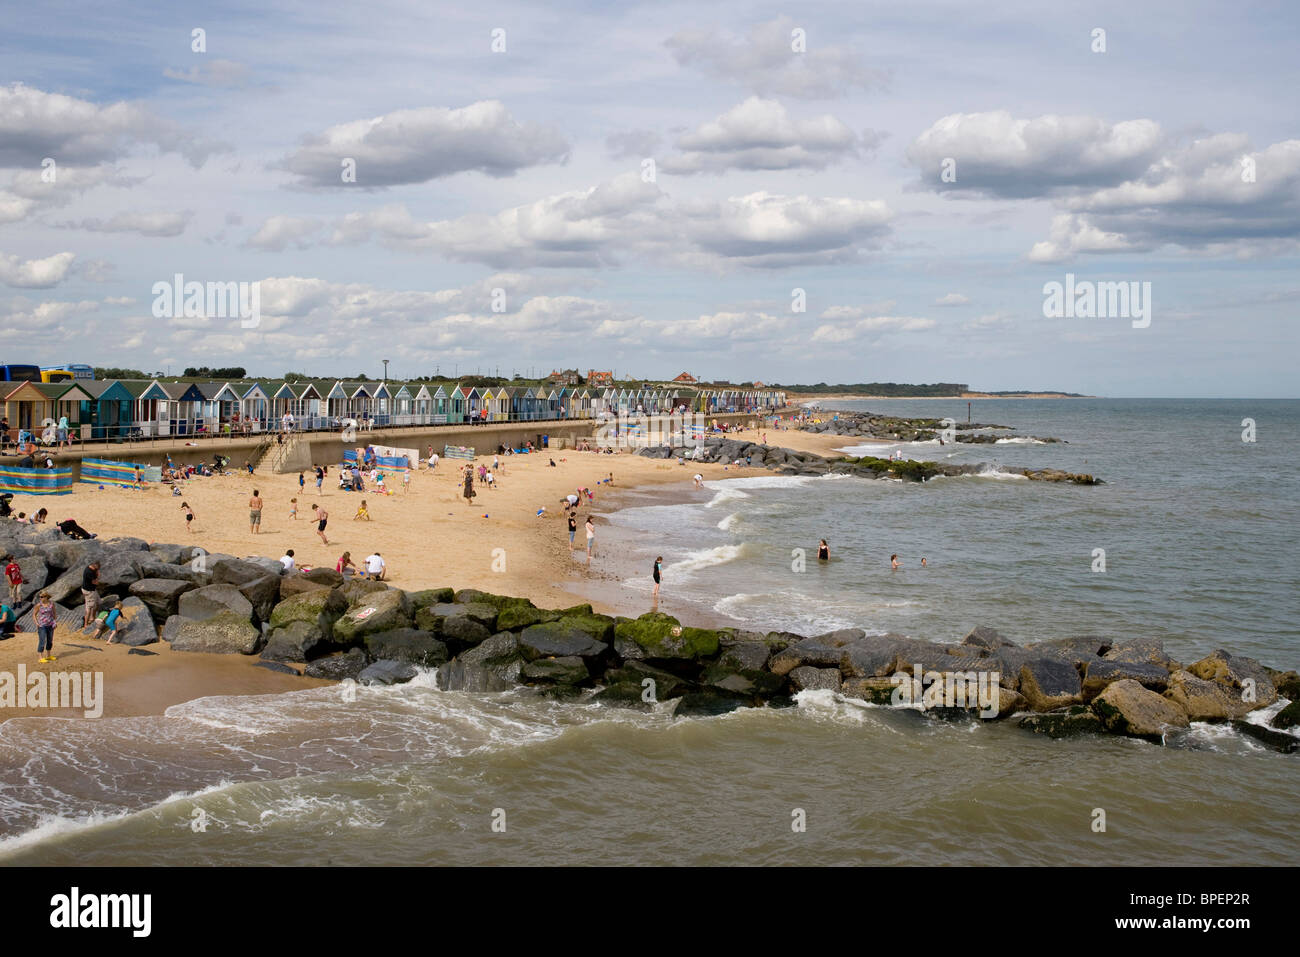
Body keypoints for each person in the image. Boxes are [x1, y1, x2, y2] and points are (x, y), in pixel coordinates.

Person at [35, 591, 57, 661]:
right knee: (42, 640)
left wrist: (55, 622)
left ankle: (48, 655)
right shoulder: (39, 605)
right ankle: (40, 657)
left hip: (50, 625)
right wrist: (37, 623)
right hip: (42, 625)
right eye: (40, 597)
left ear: (46, 597)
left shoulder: (51, 604)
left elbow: (54, 613)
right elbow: (34, 614)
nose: (40, 598)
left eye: (42, 597)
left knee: (50, 641)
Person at [81, 561, 100, 628]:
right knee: (90, 607)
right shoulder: (89, 572)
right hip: (89, 591)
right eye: (97, 568)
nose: (98, 570)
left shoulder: (90, 568)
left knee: (98, 602)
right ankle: (86, 623)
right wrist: (98, 576)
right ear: (94, 566)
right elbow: (95, 582)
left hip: (92, 590)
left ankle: (92, 617)